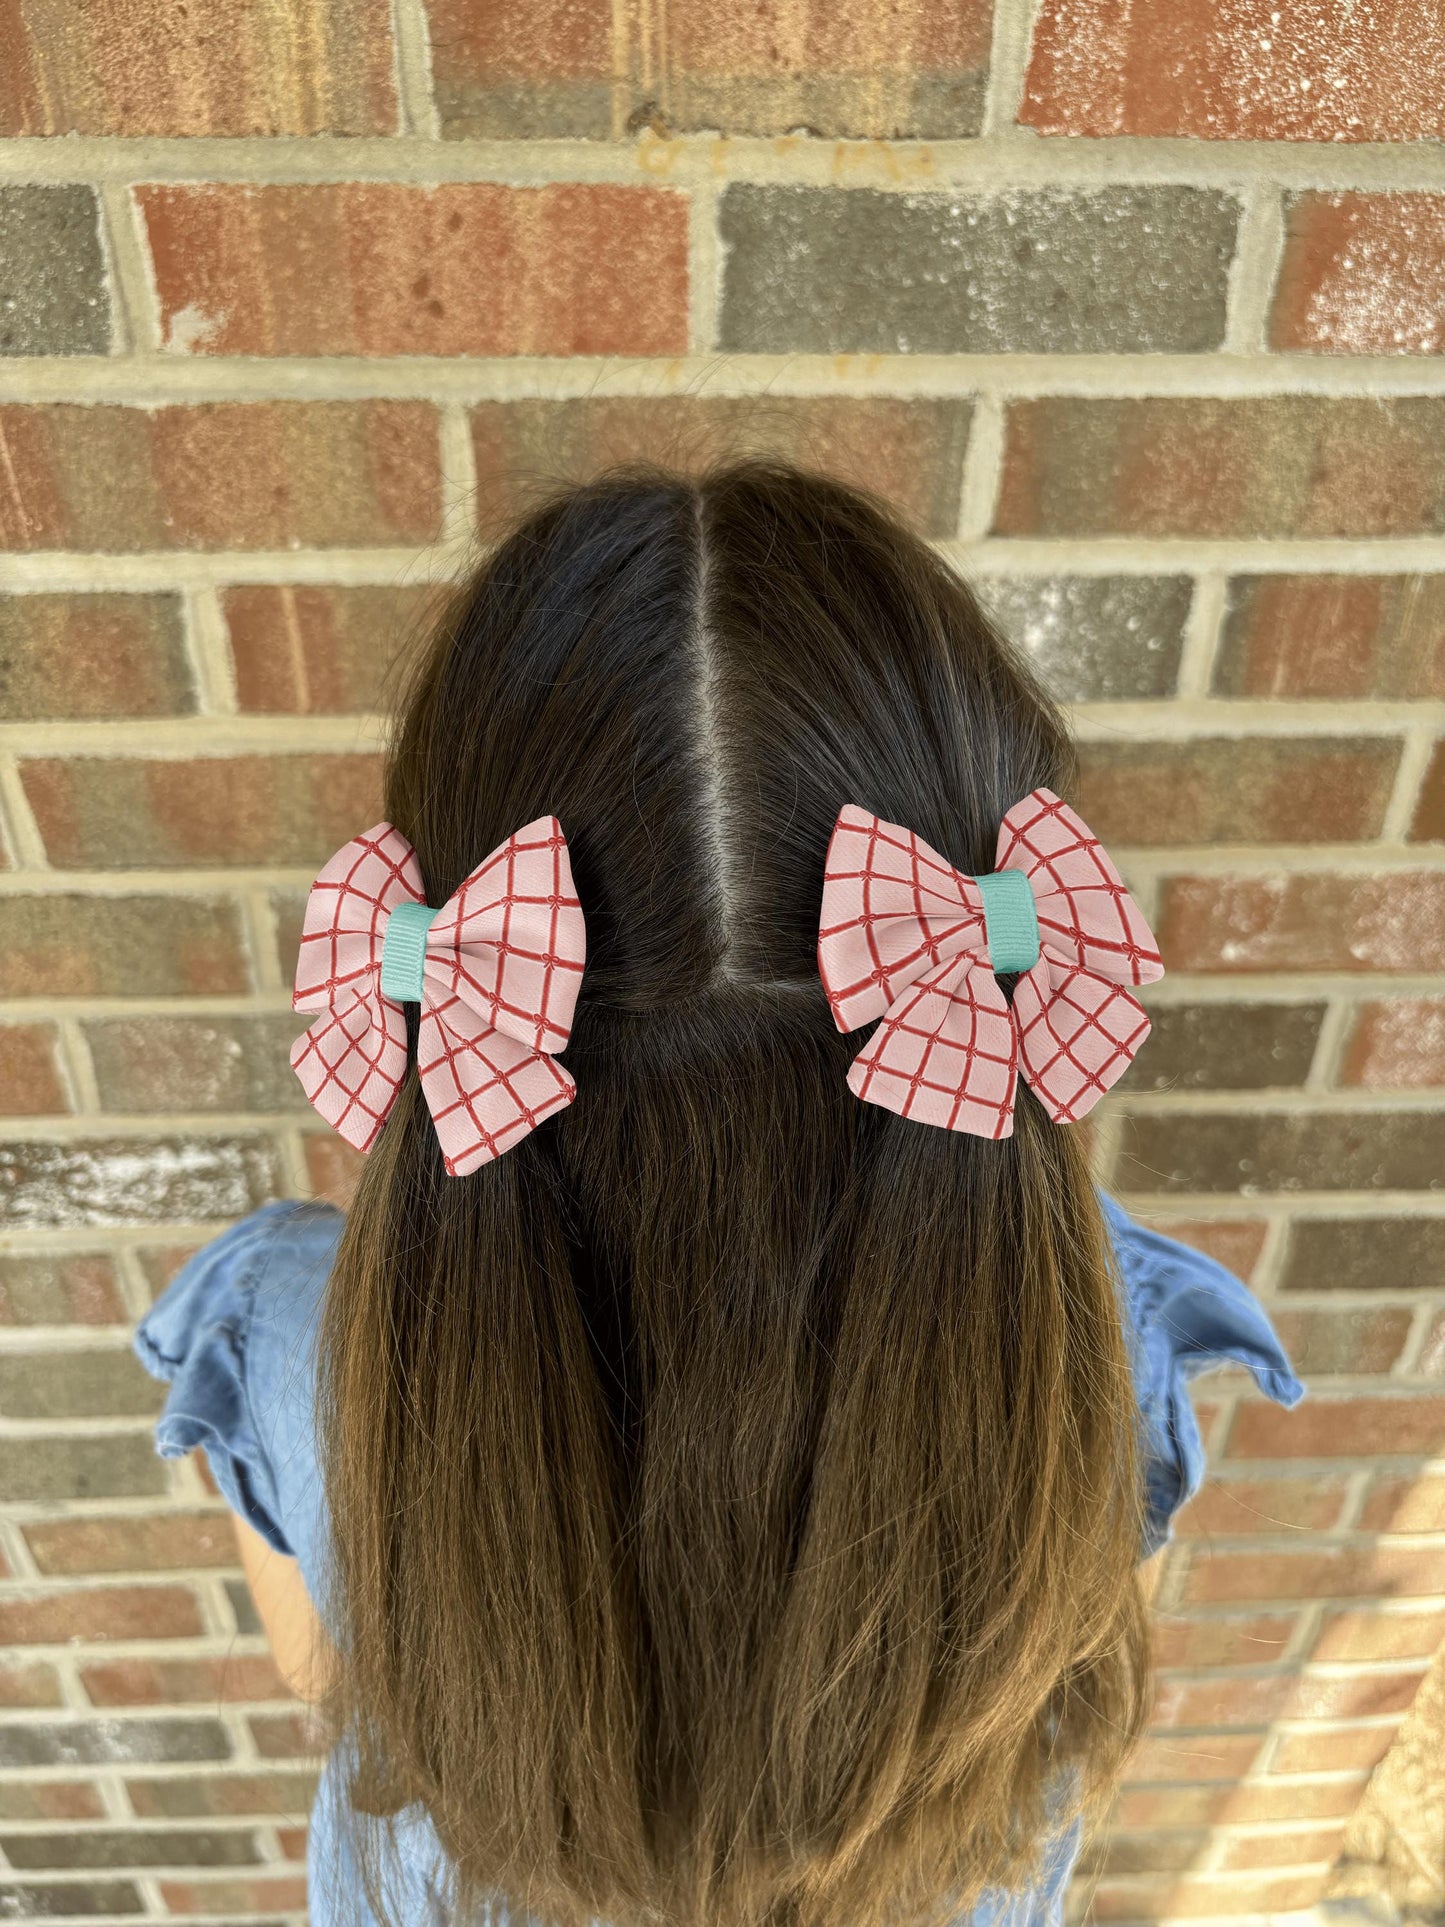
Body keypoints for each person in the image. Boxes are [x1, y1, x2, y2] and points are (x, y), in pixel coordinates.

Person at [135, 461, 1302, 1927]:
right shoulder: (1096, 1347)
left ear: (435, 941)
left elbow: (333, 1675)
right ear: (1017, 935)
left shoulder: (293, 1336)